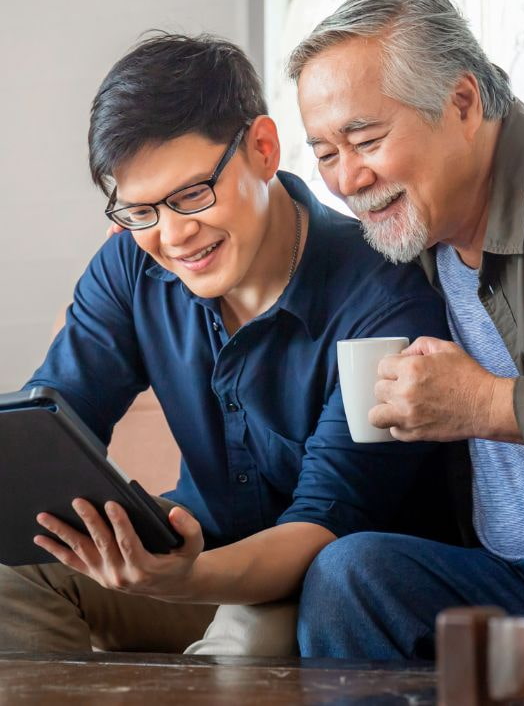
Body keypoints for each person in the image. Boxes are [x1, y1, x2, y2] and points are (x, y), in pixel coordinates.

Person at [0, 32, 452, 656]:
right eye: (140, 210)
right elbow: (53, 422)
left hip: (317, 580)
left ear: (263, 149)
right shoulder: (133, 265)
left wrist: (184, 578)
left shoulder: (386, 298)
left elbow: (326, 523)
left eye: (191, 195)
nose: (173, 235)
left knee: (241, 646)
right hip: (191, 551)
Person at [287, 0, 524, 660]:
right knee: (348, 578)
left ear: (461, 102)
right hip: (506, 573)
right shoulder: (412, 239)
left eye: (364, 139)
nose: (346, 180)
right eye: (324, 153)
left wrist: (487, 403)